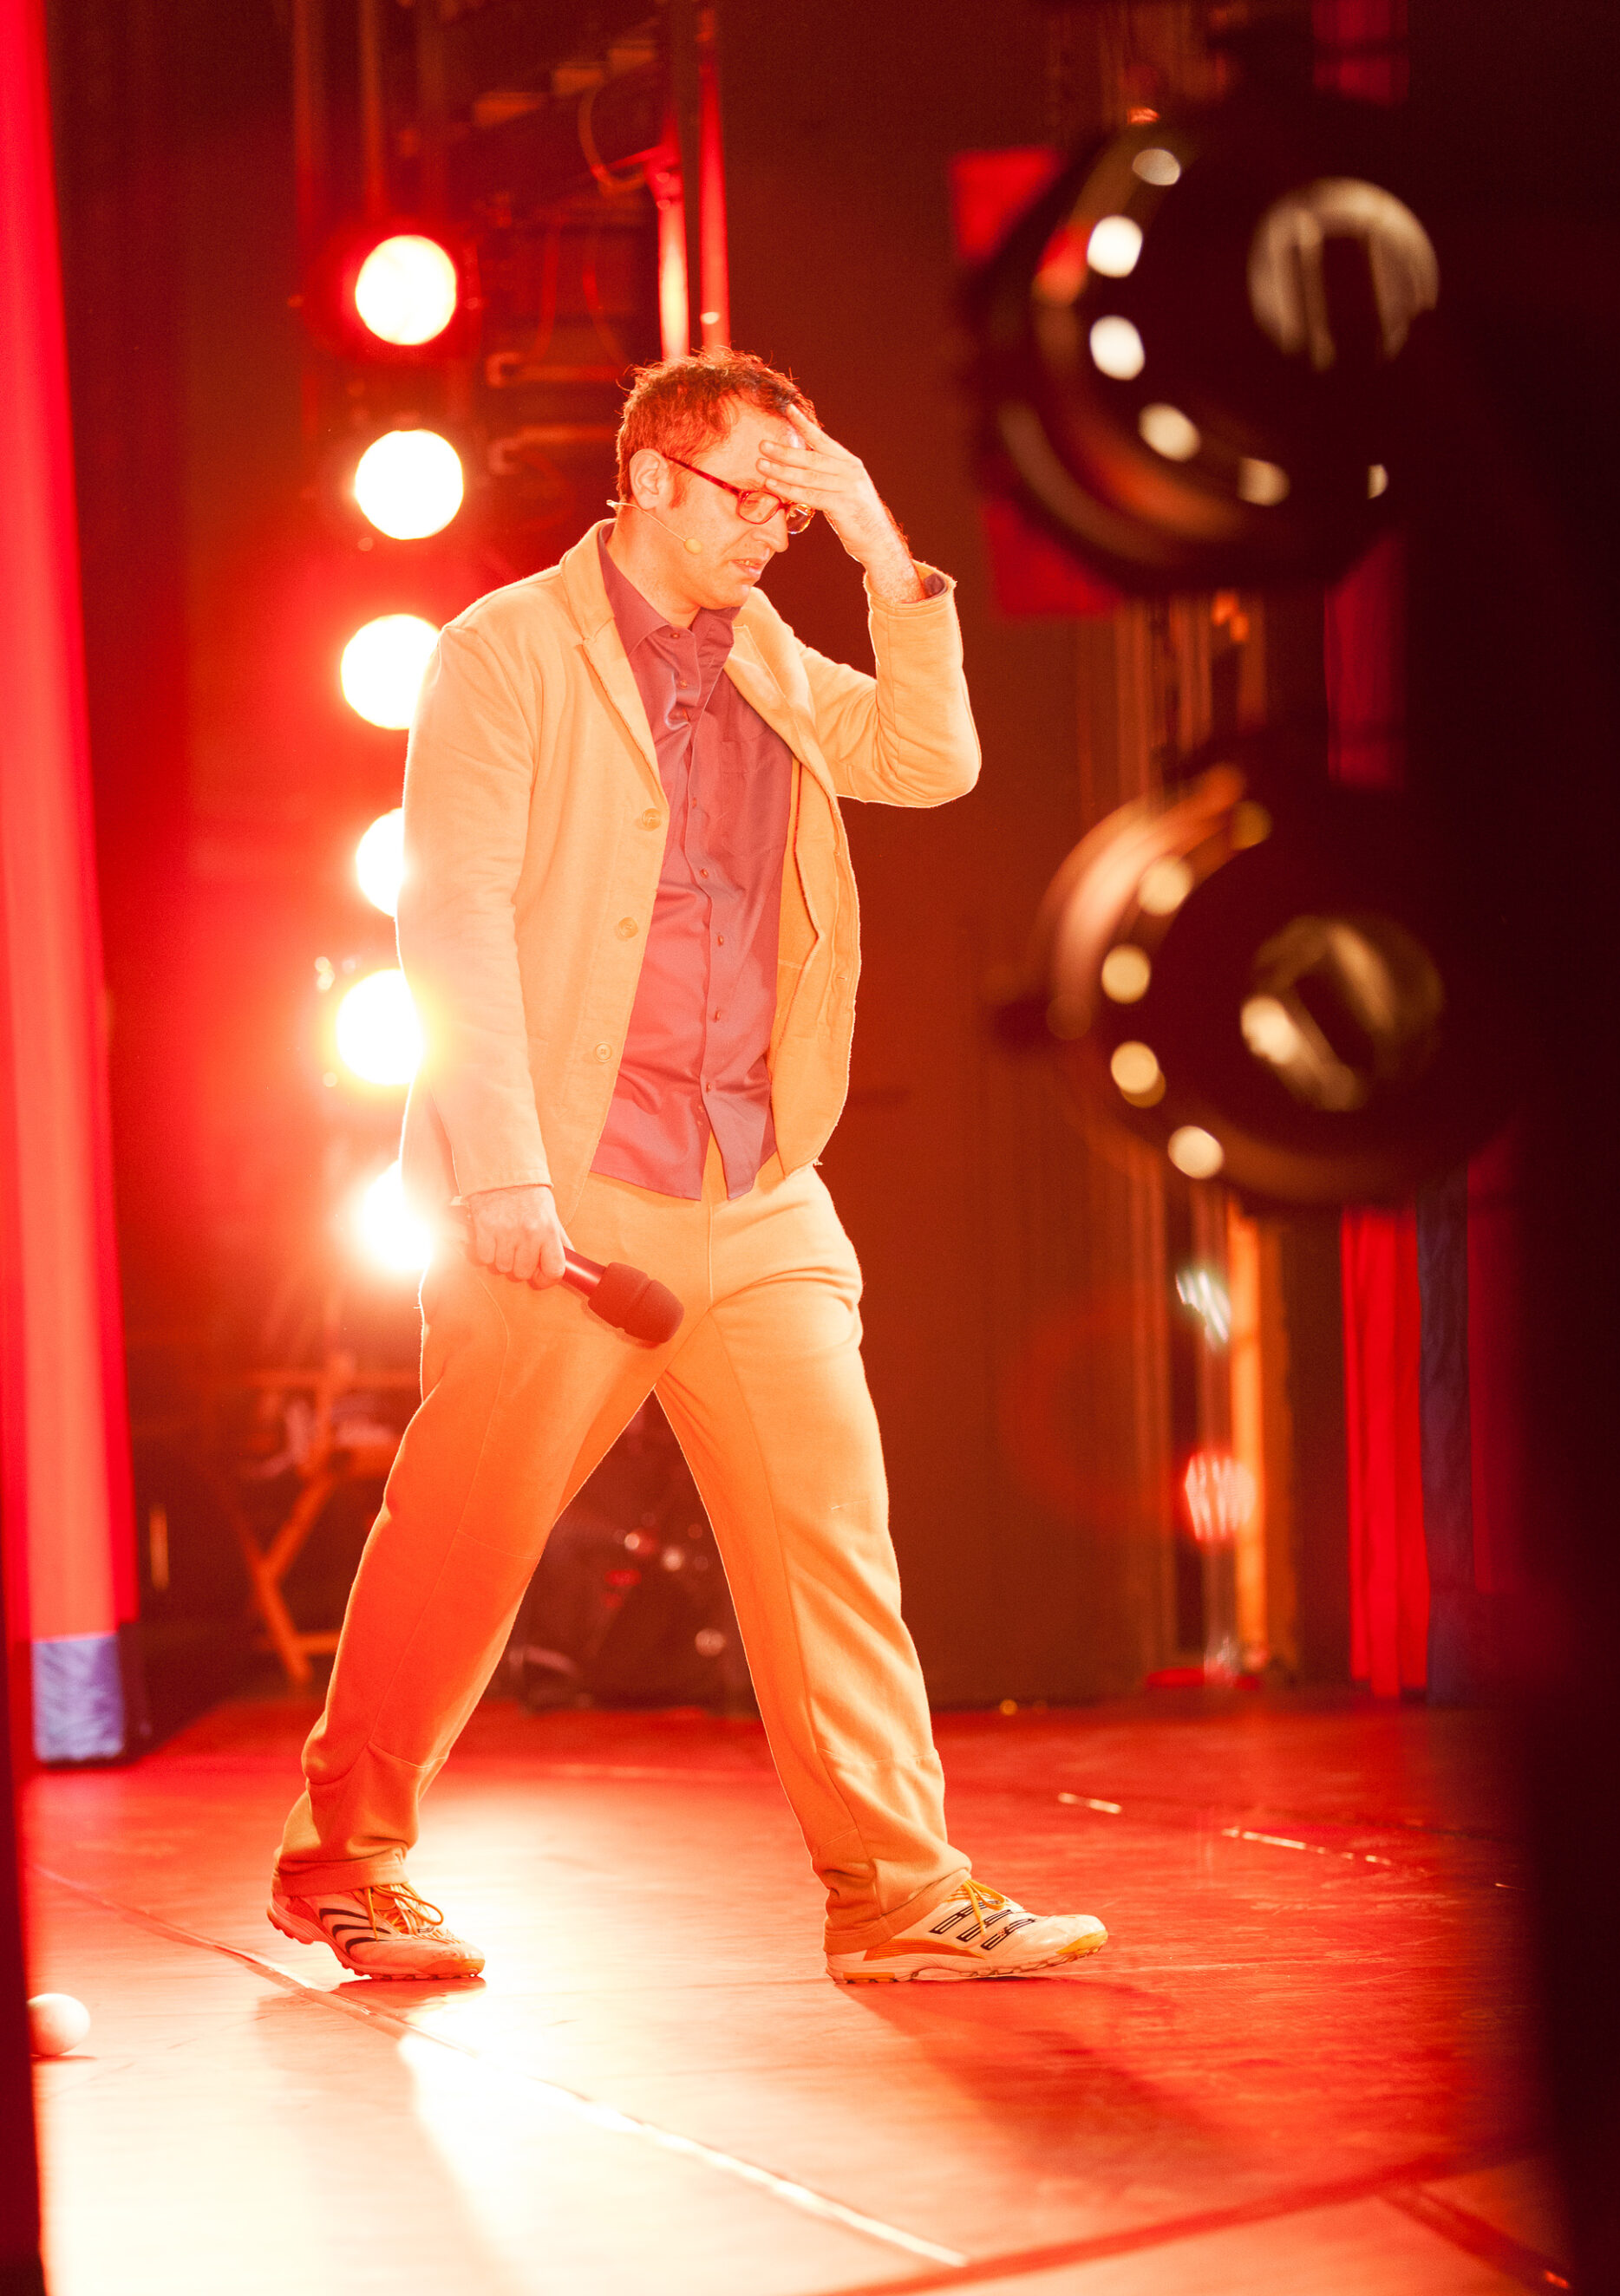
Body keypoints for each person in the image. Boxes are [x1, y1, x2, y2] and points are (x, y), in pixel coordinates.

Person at [268, 349, 1107, 1986]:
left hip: (758, 1176)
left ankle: (898, 1890)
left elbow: (928, 761)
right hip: (569, 1180)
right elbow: (450, 913)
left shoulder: (769, 649)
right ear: (651, 477)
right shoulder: (505, 650)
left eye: (793, 506)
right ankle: (343, 1860)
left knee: (828, 1536)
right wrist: (502, 1176)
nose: (772, 529)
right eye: (753, 495)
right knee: (466, 1536)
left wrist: (881, 548)